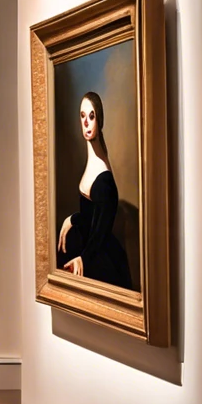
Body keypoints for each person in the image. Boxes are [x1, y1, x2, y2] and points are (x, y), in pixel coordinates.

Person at [56, 92, 131, 288]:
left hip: (103, 260)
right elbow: (91, 220)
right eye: (82, 116)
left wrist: (83, 259)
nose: (86, 123)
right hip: (91, 252)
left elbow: (100, 232)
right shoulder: (93, 161)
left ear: (99, 119)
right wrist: (72, 219)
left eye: (91, 116)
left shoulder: (104, 178)